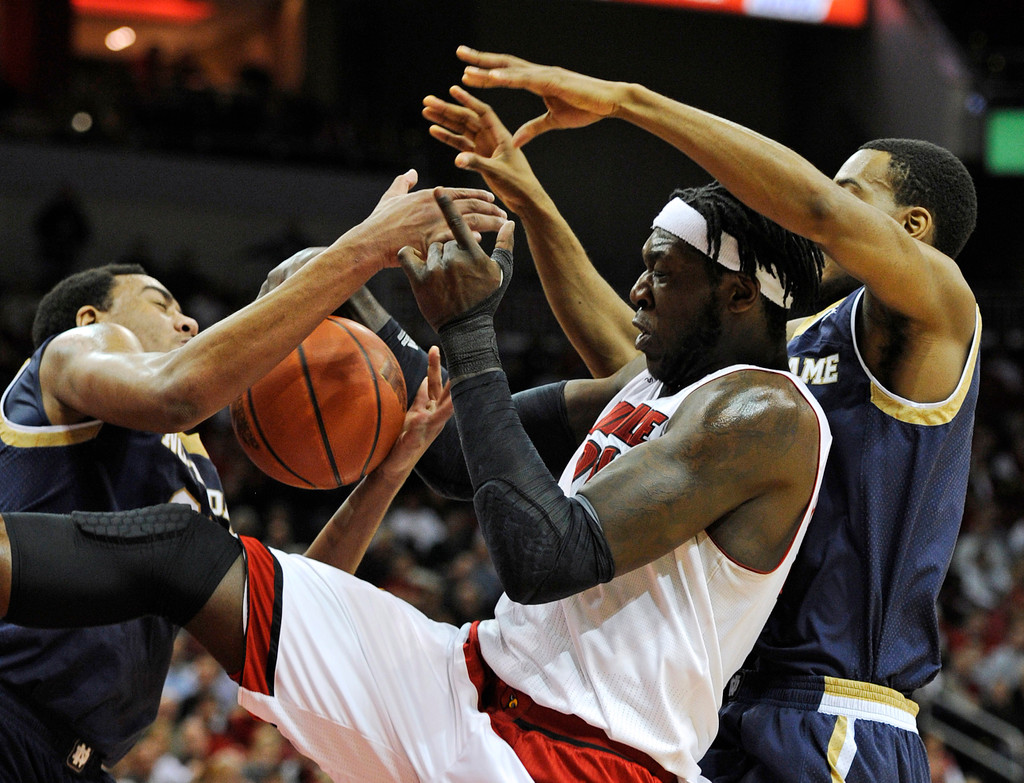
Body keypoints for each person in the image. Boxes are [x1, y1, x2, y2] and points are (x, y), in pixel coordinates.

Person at [0, 185, 831, 783]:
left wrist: (470, 331)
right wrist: (346, 285)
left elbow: (544, 556)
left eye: (660, 272)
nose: (637, 290)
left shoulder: (762, 412)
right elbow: (454, 452)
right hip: (472, 677)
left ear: (734, 294)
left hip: (589, 753)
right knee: (182, 553)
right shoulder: (642, 386)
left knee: (183, 549)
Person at [442, 47, 982, 782]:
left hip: (839, 717)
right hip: (727, 707)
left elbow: (815, 210)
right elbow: (631, 360)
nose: (817, 201)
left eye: (852, 192)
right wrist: (531, 198)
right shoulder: (782, 352)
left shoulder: (938, 318)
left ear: (912, 227)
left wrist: (626, 100)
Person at [0, 169, 505, 783]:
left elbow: (292, 606)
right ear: (91, 317)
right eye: (162, 305)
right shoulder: (71, 353)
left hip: (82, 763)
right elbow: (177, 391)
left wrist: (393, 465)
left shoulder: (190, 462)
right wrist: (362, 249)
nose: (186, 323)